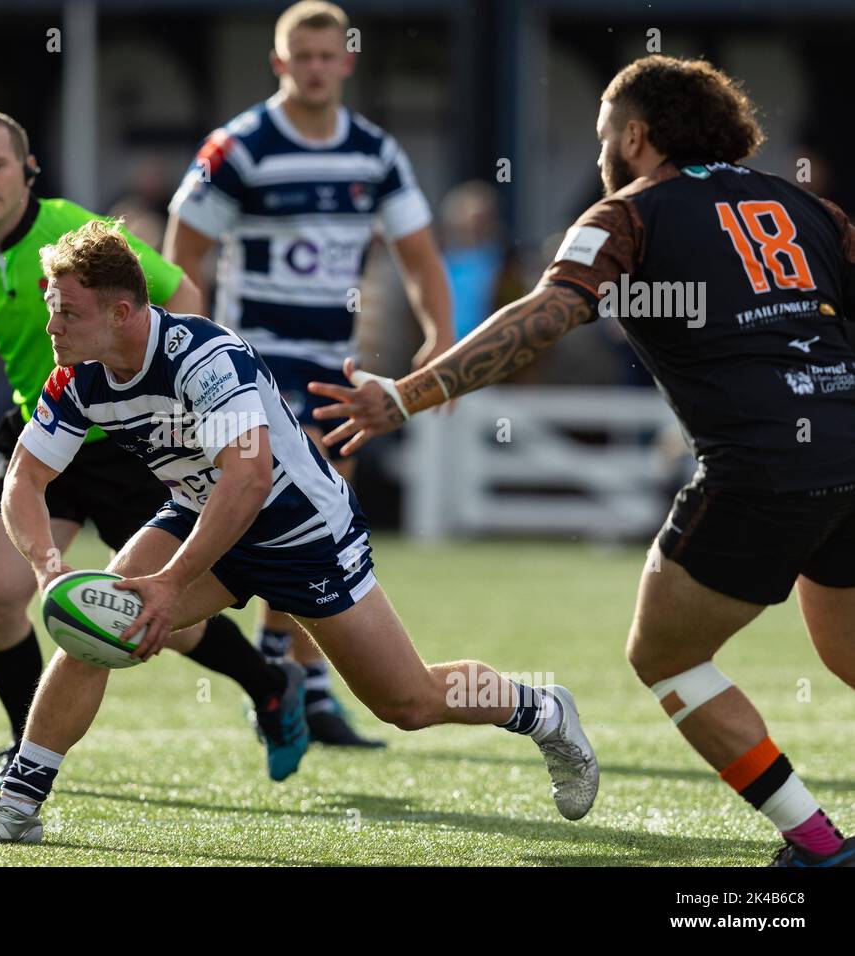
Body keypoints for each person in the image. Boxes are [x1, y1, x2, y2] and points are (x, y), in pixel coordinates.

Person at [310, 55, 855, 867]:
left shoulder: (626, 213)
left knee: (664, 657)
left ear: (635, 136)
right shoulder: (809, 206)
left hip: (761, 466)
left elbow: (548, 312)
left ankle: (815, 844)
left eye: (605, 135)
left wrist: (408, 394)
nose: (600, 152)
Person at [0, 220, 598, 844]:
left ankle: (539, 709)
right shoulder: (77, 379)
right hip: (201, 512)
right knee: (99, 625)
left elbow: (248, 483)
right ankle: (19, 804)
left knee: (409, 702)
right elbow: (24, 481)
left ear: (121, 313)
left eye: (67, 311)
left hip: (300, 533)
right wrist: (48, 569)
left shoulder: (203, 358)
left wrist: (170, 582)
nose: (52, 325)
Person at [0, 111, 309, 788]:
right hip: (44, 436)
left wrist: (189, 395)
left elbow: (180, 293)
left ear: (28, 170)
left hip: (126, 446)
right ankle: (29, 750)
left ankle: (271, 686)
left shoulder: (76, 237)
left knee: (153, 617)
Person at [163, 1, 454, 746]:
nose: (317, 67)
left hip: (333, 361)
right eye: (303, 55)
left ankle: (285, 676)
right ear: (279, 63)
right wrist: (191, 350)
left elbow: (418, 254)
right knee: (304, 512)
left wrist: (441, 339)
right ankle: (298, 683)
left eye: (329, 55)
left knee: (318, 517)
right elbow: (182, 254)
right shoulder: (241, 147)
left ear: (347, 61)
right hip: (253, 358)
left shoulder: (374, 152)